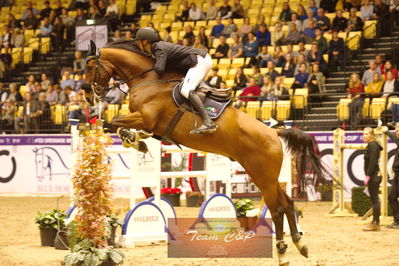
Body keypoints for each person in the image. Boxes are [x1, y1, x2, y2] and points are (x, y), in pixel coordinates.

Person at [135, 27, 216, 134]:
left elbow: (159, 69)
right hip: (196, 61)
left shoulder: (158, 48)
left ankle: (208, 122)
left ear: (145, 41)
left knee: (186, 90)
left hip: (200, 61)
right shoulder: (157, 48)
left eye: (138, 41)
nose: (137, 44)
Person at [362, 127, 383, 232]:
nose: (364, 136)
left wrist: (368, 175)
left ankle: (376, 223)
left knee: (375, 200)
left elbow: (372, 162)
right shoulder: (372, 145)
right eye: (364, 134)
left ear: (372, 135)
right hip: (374, 175)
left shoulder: (373, 145)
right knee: (374, 200)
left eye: (366, 134)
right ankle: (374, 220)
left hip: (374, 176)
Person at [382, 125, 399, 228]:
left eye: (398, 130)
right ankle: (397, 221)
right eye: (396, 130)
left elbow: (394, 137)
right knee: (391, 196)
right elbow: (394, 137)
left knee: (392, 196)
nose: (396, 132)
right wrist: (387, 131)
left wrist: (387, 131)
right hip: (397, 175)